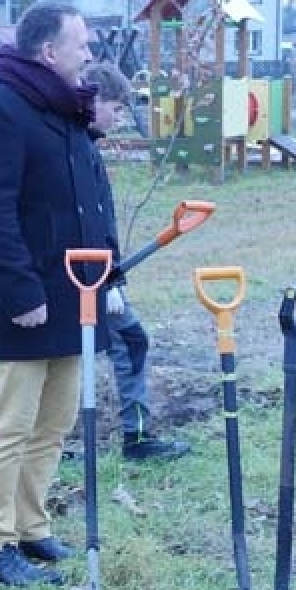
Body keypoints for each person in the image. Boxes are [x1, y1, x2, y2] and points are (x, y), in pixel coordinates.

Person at [0, 1, 112, 587]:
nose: (91, 54)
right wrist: (22, 292)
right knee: (11, 426)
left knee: (53, 424)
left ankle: (30, 525)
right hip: (21, 304)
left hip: (75, 295)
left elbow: (92, 199)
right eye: (83, 44)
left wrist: (111, 271)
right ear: (50, 51)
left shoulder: (67, 110)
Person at [81, 61, 189, 462]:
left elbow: (99, 220)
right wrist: (105, 281)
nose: (121, 116)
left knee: (120, 342)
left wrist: (114, 277)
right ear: (92, 101)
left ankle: (129, 435)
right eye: (116, 106)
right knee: (125, 341)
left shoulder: (85, 145)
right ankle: (135, 437)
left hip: (96, 271)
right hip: (83, 274)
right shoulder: (76, 146)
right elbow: (83, 222)